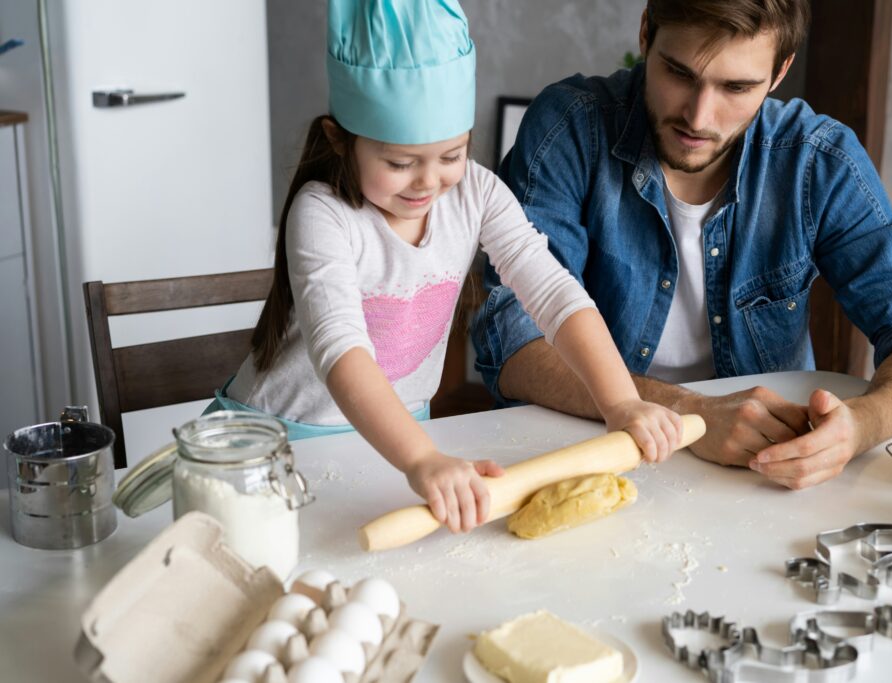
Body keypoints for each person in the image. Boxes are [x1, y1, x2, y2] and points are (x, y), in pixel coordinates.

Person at [211, 0, 686, 534]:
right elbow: (340, 350)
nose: (428, 183)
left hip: (396, 439)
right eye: (398, 163)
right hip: (276, 446)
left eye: (450, 154)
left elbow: (554, 292)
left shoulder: (477, 192)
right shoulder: (323, 215)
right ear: (341, 138)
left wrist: (622, 403)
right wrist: (421, 459)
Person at [472, 0, 892, 490]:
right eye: (679, 73)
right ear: (646, 33)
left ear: (779, 73)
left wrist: (861, 426)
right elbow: (514, 344)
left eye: (737, 87)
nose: (699, 116)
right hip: (587, 450)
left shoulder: (818, 161)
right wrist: (691, 414)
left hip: (757, 478)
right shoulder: (569, 129)